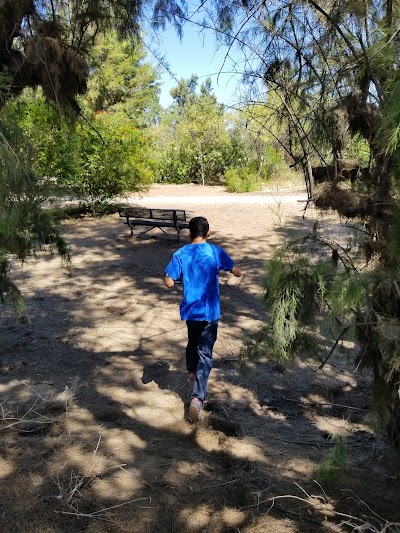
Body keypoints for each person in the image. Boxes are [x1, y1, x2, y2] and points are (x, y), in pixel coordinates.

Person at [164, 216, 242, 423]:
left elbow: (169, 281)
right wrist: (236, 272)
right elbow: (235, 271)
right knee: (205, 353)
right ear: (208, 233)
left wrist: (174, 278)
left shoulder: (180, 253)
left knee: (192, 340)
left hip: (191, 312)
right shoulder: (215, 251)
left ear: (189, 233)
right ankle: (197, 398)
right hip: (209, 313)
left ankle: (191, 369)